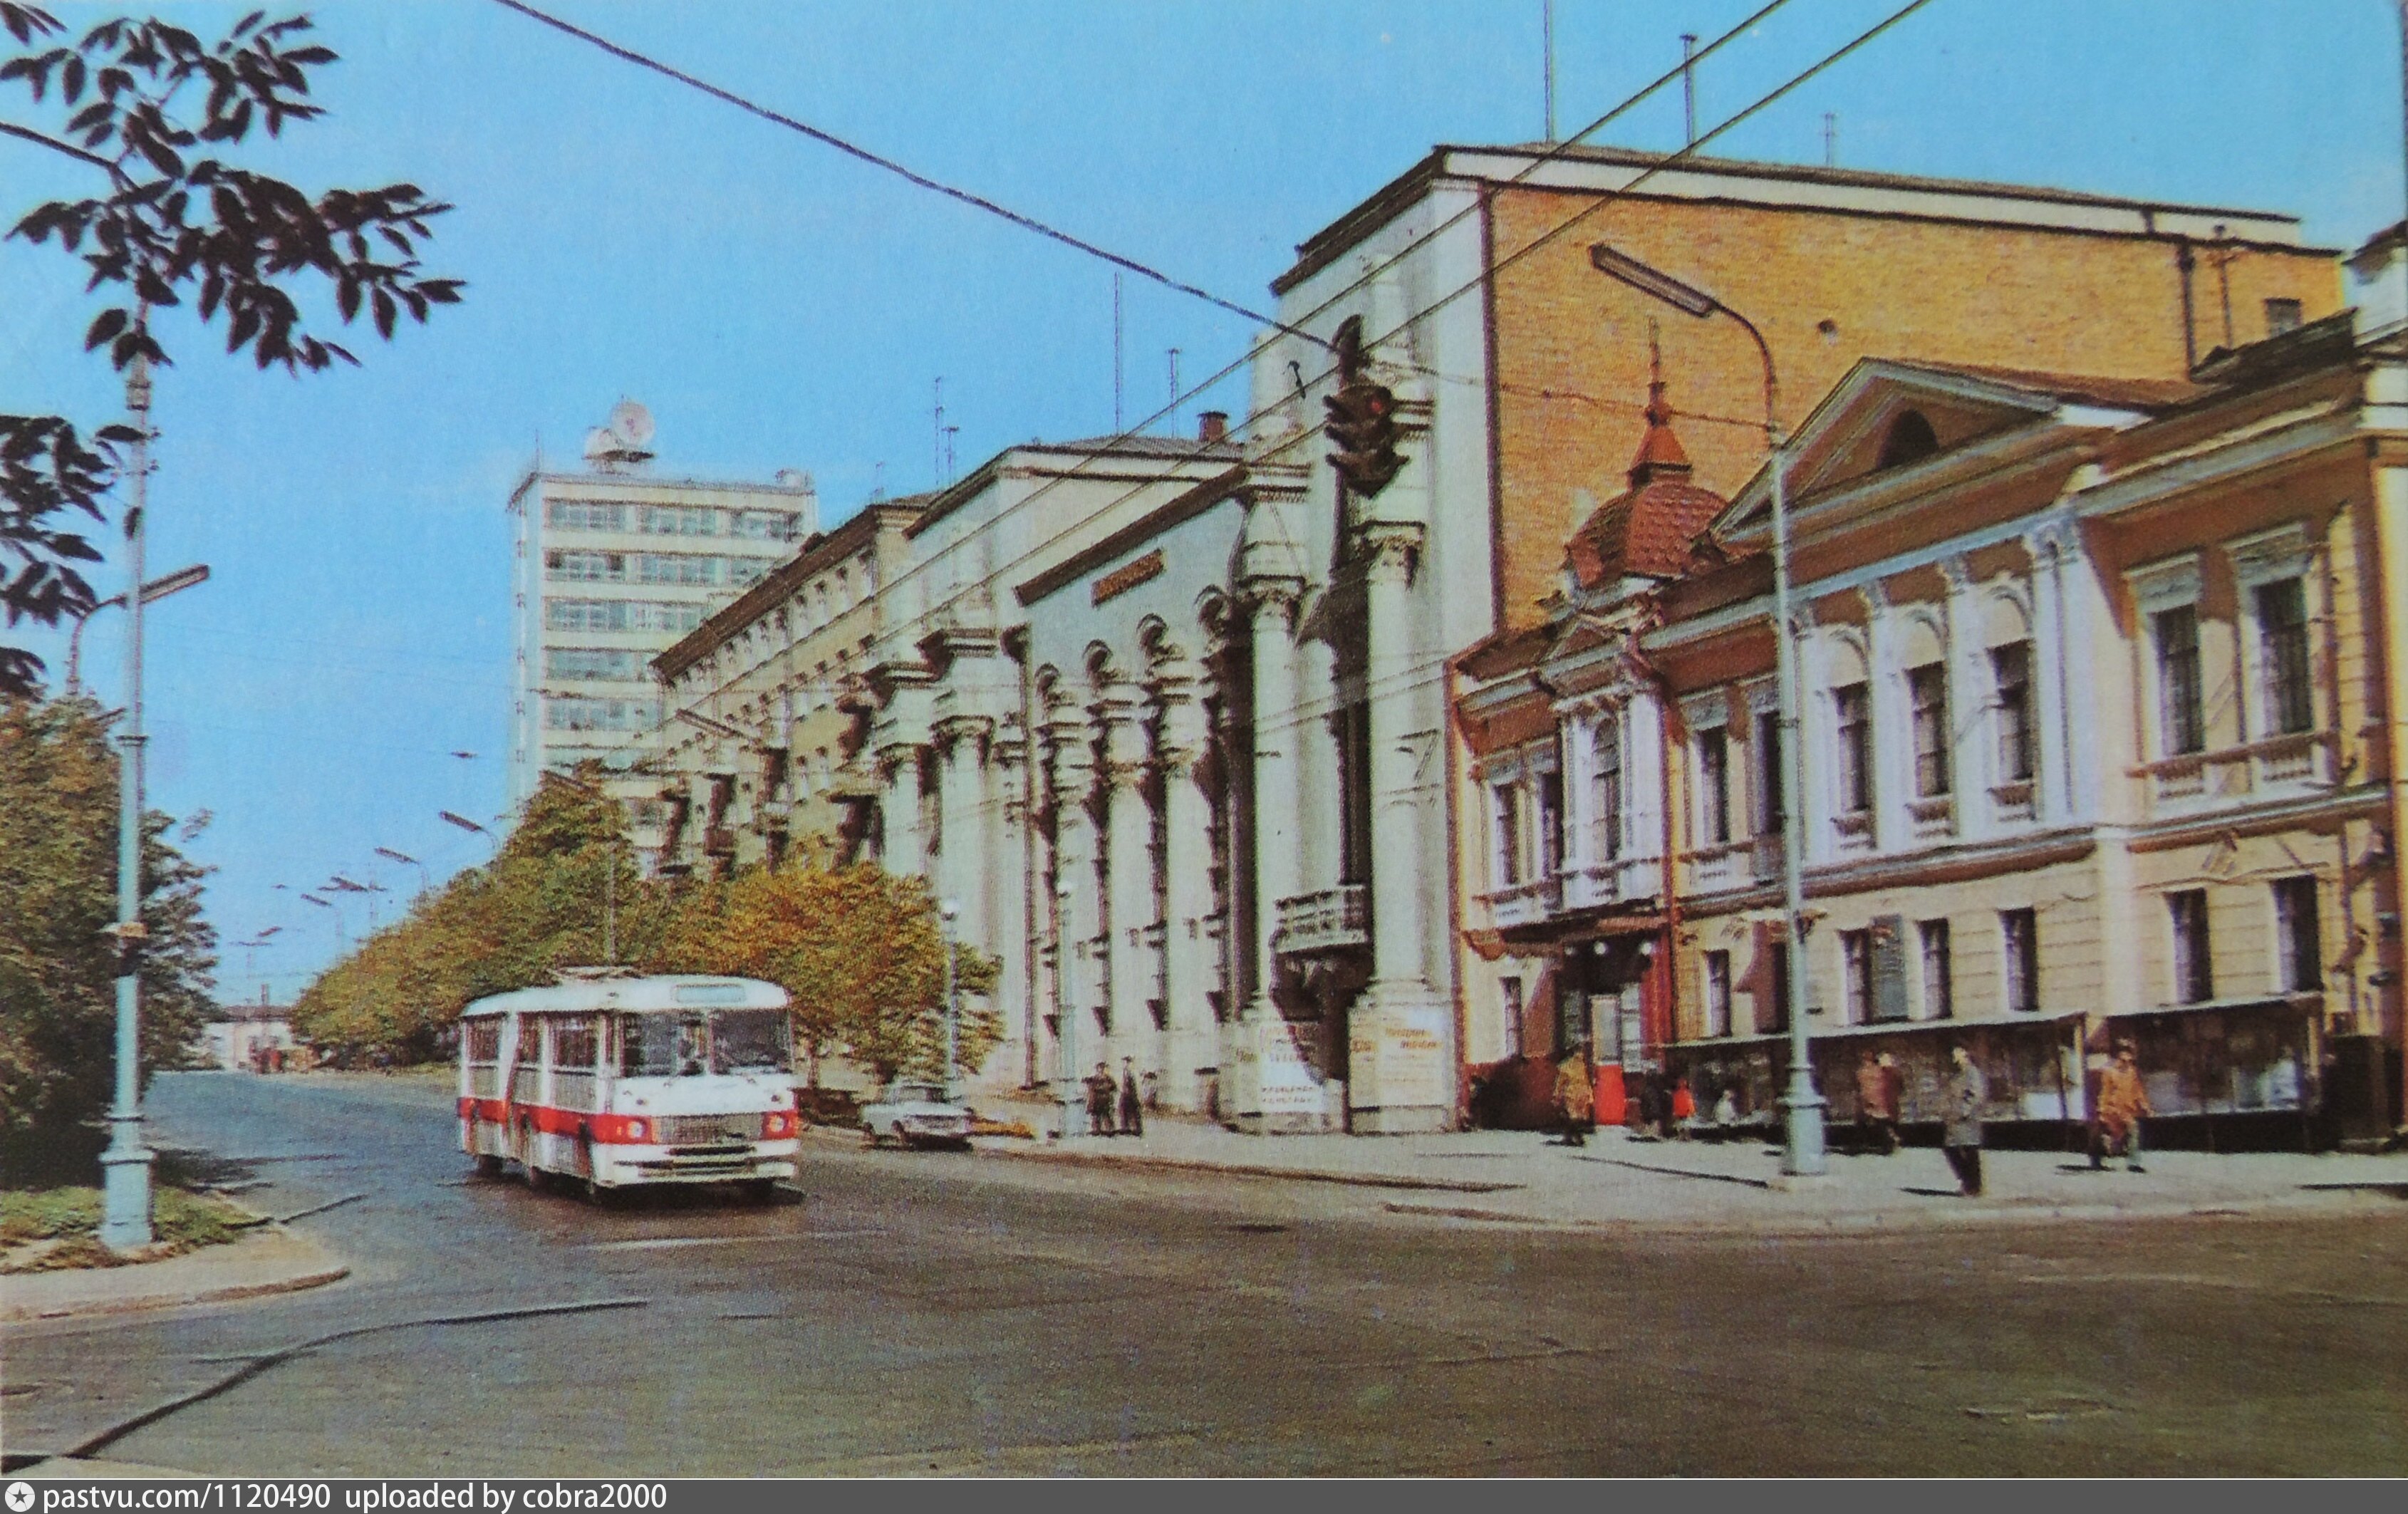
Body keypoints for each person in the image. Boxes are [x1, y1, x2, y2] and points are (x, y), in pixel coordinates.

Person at [2091, 1042, 2151, 1173]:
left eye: (2129, 1060)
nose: (2127, 1063)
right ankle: (2096, 1160)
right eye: (2123, 1060)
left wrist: (2145, 1106)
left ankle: (2133, 1163)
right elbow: (2104, 1092)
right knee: (2103, 1136)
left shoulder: (2131, 1072)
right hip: (2110, 1110)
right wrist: (2101, 1110)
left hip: (2126, 1110)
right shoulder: (2108, 1073)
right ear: (2117, 1058)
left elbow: (2137, 1091)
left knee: (2133, 1130)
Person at [1942, 1042, 1988, 1196]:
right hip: (1955, 1119)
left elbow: (1976, 1094)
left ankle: (1974, 1186)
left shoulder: (1972, 1072)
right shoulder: (1959, 1073)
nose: (1954, 1056)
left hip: (1966, 1119)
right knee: (1952, 1149)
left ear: (1965, 1053)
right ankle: (1968, 1183)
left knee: (1970, 1152)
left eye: (1957, 1053)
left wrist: (1964, 1111)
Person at [1856, 1049, 1901, 1156]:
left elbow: (1863, 1087)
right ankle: (1889, 1141)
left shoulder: (1862, 1072)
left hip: (1871, 1100)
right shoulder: (1881, 1071)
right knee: (1879, 1122)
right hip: (1881, 1100)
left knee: (1875, 1123)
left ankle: (1890, 1140)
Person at [1552, 1054, 1594, 1147]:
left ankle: (1573, 1137)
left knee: (1575, 1117)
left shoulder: (1575, 1066)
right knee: (1574, 1117)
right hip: (1575, 1094)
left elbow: (1585, 1081)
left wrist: (1590, 1094)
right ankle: (1574, 1137)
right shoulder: (1573, 1065)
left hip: (1576, 1095)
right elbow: (1560, 1082)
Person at [1085, 1061, 1116, 1136]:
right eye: (1100, 1068)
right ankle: (1096, 1130)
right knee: (1096, 1116)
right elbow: (1092, 1088)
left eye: (1103, 1068)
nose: (1101, 1069)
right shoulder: (1094, 1078)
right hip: (1097, 1100)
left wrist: (1106, 1088)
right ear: (1097, 1069)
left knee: (1106, 1116)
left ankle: (1109, 1130)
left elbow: (1113, 1087)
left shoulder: (1108, 1078)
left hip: (1105, 1100)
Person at [1118, 1057, 1144, 1138]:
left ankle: (1137, 1129)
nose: (1126, 1065)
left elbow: (1136, 1085)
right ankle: (1125, 1128)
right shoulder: (1122, 1073)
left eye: (1127, 1063)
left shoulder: (1132, 1073)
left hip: (1131, 1095)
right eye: (1124, 1063)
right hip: (1124, 1095)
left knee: (1134, 1112)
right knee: (1123, 1111)